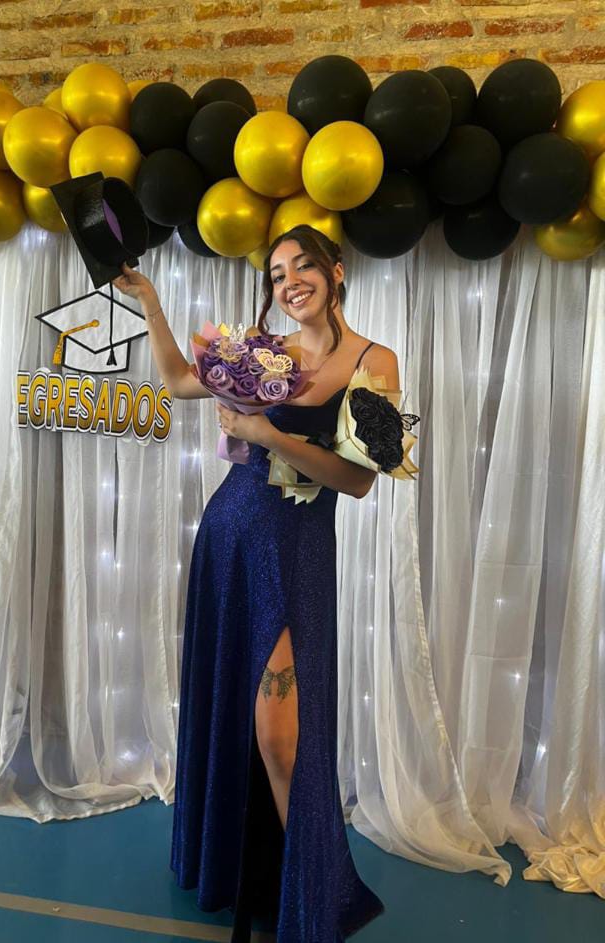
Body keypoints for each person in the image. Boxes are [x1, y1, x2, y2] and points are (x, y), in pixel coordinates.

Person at [113, 224, 396, 941]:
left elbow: (358, 481)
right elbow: (179, 382)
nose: (289, 282)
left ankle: (311, 897)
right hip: (230, 537)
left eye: (303, 266)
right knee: (242, 714)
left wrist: (271, 436)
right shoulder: (263, 352)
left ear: (336, 271)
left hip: (297, 552)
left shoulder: (376, 362)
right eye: (276, 274)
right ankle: (255, 874)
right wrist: (149, 300)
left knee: (280, 737)